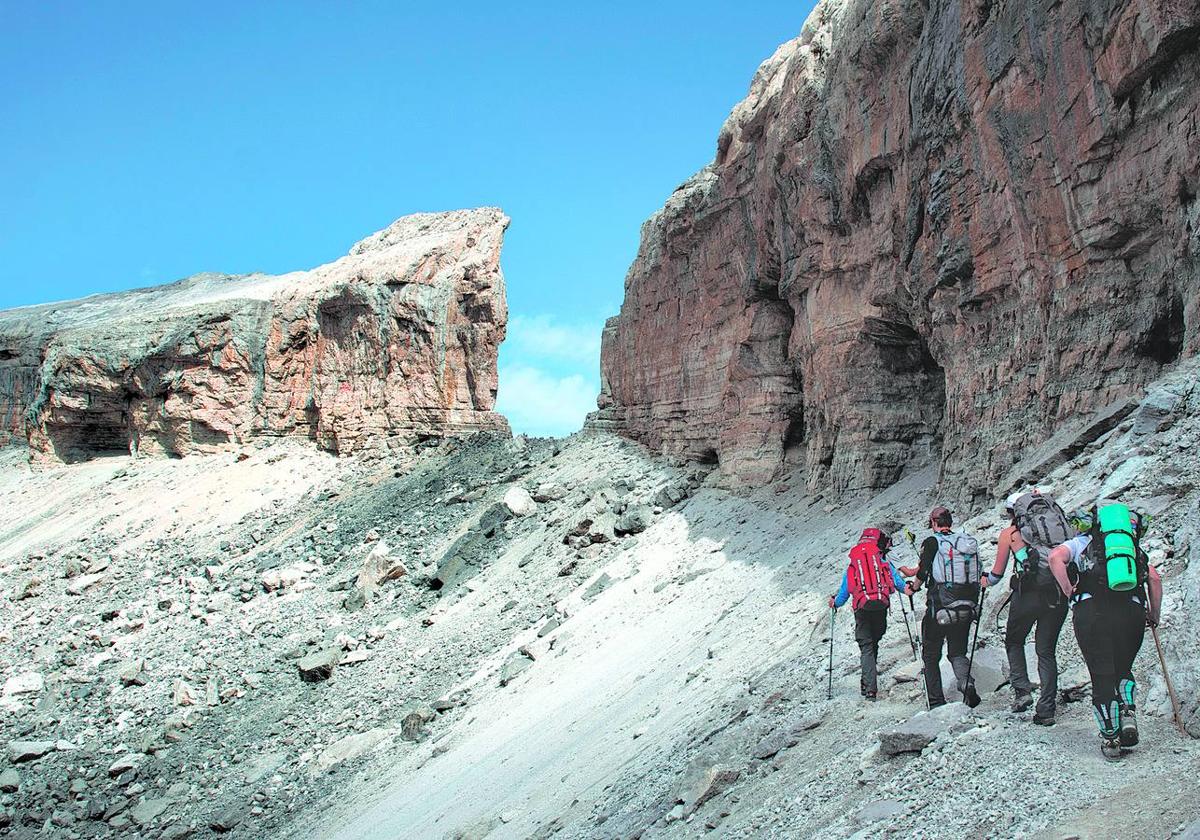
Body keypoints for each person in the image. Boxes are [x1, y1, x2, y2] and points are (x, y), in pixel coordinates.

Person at [1048, 502, 1163, 761]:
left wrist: (1068, 589)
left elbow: (1055, 558)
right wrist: (1153, 615)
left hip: (1092, 613)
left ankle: (1111, 739)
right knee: (1123, 667)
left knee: (1101, 674)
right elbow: (1154, 579)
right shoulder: (1127, 549)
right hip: (1131, 613)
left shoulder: (1080, 544)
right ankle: (1127, 712)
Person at [982, 491, 1069, 725]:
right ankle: (1047, 707)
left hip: (1027, 595)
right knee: (1046, 650)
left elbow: (997, 574)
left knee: (1014, 640)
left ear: (1013, 513)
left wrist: (985, 581)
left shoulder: (1010, 535)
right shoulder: (1058, 530)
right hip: (1058, 594)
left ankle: (1022, 693)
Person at [899, 506, 982, 708]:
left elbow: (923, 572)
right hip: (966, 607)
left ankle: (936, 701)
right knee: (957, 652)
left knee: (930, 655)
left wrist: (913, 588)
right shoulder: (964, 541)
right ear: (950, 522)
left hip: (940, 608)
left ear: (934, 523)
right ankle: (966, 683)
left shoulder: (932, 542)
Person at [829, 528, 912, 700]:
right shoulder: (882, 562)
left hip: (862, 609)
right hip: (881, 608)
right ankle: (867, 681)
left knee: (866, 646)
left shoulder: (854, 565)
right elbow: (899, 584)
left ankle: (869, 689)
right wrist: (910, 589)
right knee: (874, 642)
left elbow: (845, 593)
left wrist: (834, 603)